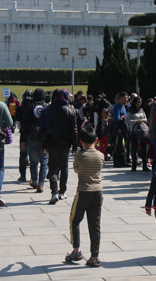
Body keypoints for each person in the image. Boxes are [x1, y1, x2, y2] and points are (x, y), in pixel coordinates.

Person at [64, 125, 104, 269]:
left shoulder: (79, 155)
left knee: (74, 220)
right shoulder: (101, 156)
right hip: (98, 192)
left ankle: (76, 251)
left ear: (81, 141)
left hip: (83, 192)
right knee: (95, 225)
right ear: (96, 140)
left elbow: (76, 170)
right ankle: (95, 257)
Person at [44, 88, 79, 204]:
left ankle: (54, 192)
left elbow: (44, 129)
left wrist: (44, 144)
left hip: (52, 143)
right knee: (64, 168)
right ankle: (62, 192)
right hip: (65, 144)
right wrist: (75, 146)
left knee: (53, 168)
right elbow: (74, 130)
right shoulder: (71, 111)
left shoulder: (49, 110)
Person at [21, 88, 48, 191]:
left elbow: (25, 125)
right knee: (44, 161)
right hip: (44, 138)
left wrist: (23, 140)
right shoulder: (46, 107)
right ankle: (41, 184)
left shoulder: (30, 107)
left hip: (32, 137)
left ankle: (34, 180)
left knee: (33, 161)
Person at [125, 95, 150, 171]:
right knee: (134, 149)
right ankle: (134, 165)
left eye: (140, 102)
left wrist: (143, 120)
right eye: (138, 102)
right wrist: (136, 121)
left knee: (143, 149)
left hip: (142, 131)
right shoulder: (130, 110)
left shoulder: (141, 110)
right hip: (134, 131)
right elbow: (127, 121)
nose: (139, 104)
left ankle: (144, 165)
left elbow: (145, 118)